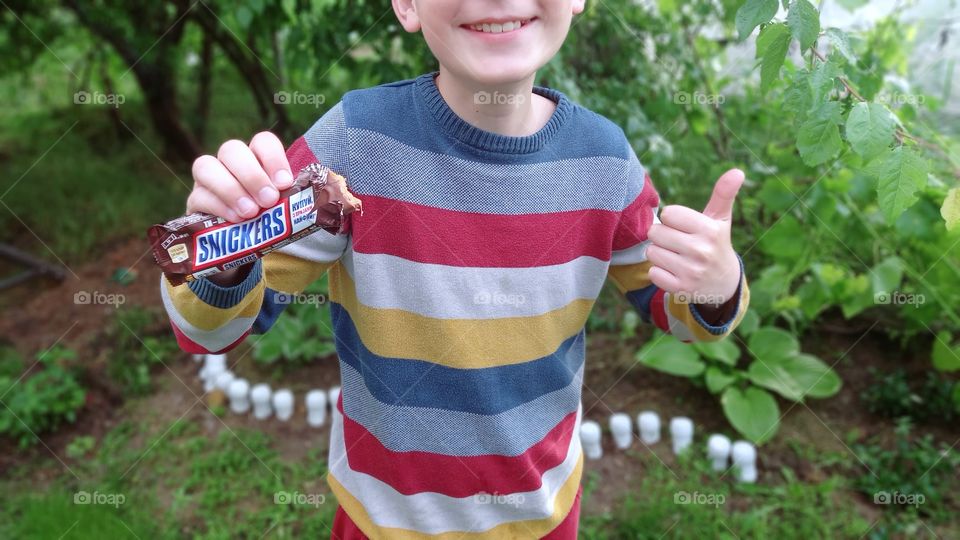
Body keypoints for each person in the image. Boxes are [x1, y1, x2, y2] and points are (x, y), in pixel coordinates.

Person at [161, 0, 750, 537]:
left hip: (541, 517)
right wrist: (221, 259)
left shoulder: (605, 161)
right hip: (382, 520)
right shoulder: (357, 144)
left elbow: (681, 315)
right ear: (407, 6)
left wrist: (718, 286)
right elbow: (209, 330)